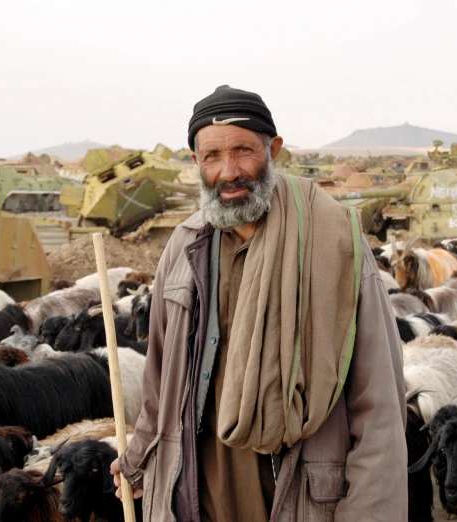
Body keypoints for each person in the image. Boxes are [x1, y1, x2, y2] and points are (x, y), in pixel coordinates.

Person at [111, 85, 407, 522]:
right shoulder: (183, 247)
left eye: (243, 150)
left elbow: (378, 404)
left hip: (298, 496)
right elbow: (160, 384)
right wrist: (137, 461)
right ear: (196, 162)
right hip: (197, 492)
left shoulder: (335, 241)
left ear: (274, 150)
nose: (228, 172)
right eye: (212, 156)